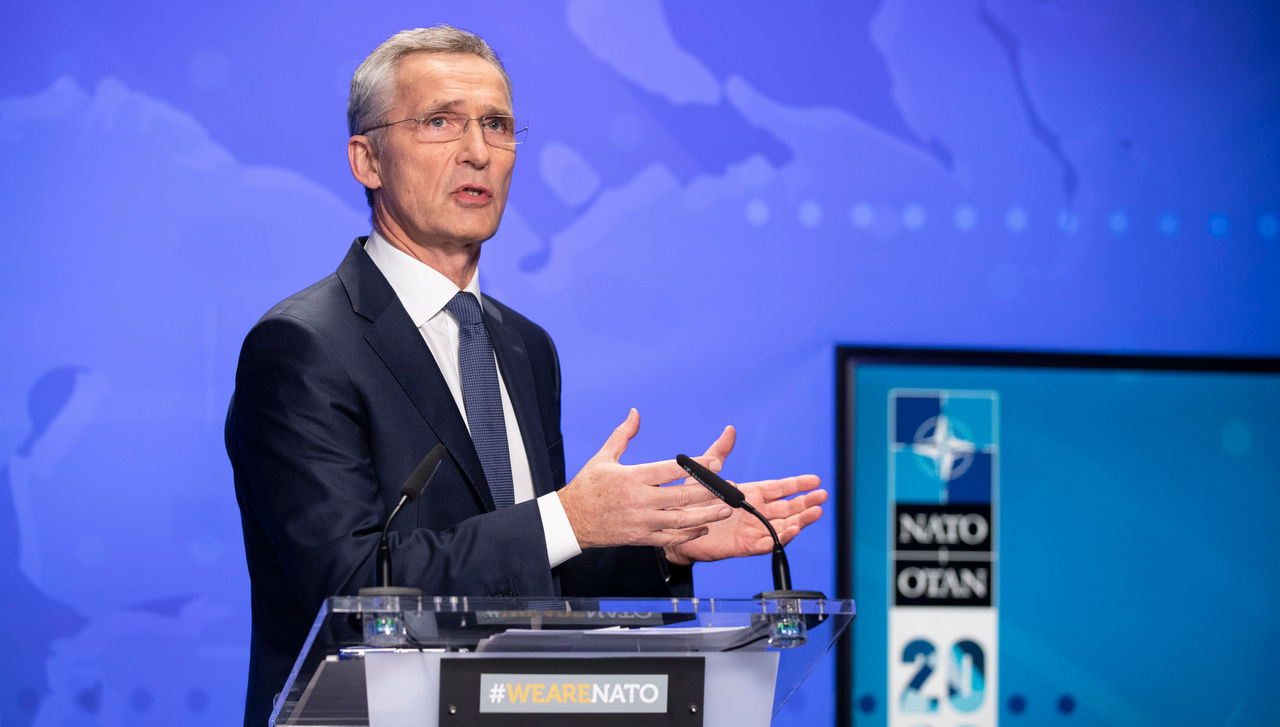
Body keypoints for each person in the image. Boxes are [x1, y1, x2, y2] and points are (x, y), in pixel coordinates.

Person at [225, 25, 826, 727]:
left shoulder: (524, 347)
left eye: (497, 125)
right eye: (440, 121)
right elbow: (359, 587)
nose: (477, 150)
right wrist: (572, 515)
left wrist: (658, 543)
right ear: (368, 160)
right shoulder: (301, 346)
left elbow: (532, 570)